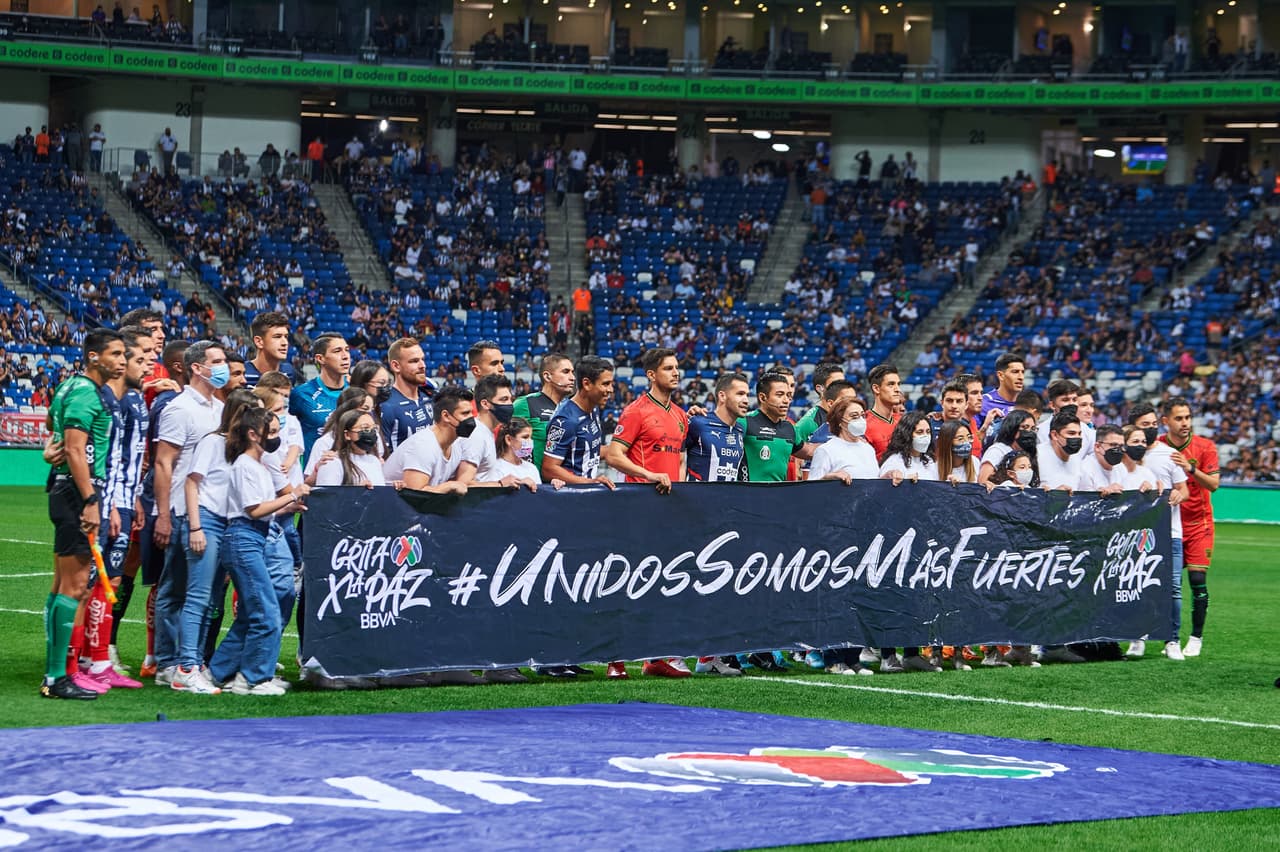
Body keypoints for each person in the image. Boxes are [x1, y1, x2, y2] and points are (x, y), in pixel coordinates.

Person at [41, 329, 126, 700]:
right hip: (78, 493)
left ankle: (55, 673)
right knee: (75, 586)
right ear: (94, 357)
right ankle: (57, 678)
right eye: (116, 354)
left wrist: (49, 446)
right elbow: (76, 451)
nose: (121, 361)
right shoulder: (86, 393)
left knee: (62, 585)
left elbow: (51, 428)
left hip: (66, 491)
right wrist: (91, 500)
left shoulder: (68, 387)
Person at [209, 407, 308, 696]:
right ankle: (252, 678)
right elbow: (254, 509)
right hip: (244, 539)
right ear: (253, 434)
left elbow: (262, 509)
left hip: (253, 537)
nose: (277, 438)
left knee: (254, 612)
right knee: (266, 611)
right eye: (273, 432)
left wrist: (290, 505)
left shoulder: (258, 464)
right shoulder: (245, 465)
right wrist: (292, 495)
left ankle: (220, 672)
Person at [152, 342, 227, 689]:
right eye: (218, 361)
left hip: (209, 507)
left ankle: (182, 660)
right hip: (185, 511)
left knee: (197, 590)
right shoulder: (180, 408)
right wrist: (164, 515)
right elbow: (164, 463)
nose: (224, 366)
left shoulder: (218, 407)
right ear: (196, 368)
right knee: (176, 589)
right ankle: (172, 662)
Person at [183, 388, 261, 681]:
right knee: (199, 596)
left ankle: (200, 661)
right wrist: (195, 527)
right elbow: (192, 484)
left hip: (228, 525)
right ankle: (187, 665)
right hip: (208, 520)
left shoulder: (243, 449)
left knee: (213, 599)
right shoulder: (213, 442)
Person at [99, 329, 151, 677]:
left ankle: (99, 656)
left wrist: (133, 498)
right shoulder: (105, 400)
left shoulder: (133, 399)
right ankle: (91, 657)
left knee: (111, 581)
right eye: (140, 359)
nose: (148, 366)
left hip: (126, 500)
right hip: (105, 502)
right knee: (95, 582)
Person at [875, 412, 939, 673]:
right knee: (892, 595)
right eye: (919, 432)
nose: (924, 437)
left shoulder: (929, 462)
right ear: (907, 433)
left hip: (922, 536)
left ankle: (912, 651)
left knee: (916, 595)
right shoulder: (893, 460)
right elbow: (880, 491)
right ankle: (887, 654)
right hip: (895, 537)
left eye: (927, 432)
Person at [1127, 402, 1188, 660]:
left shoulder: (1168, 454)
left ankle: (1171, 640)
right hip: (1136, 534)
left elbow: (1184, 489)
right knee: (1134, 586)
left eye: (1154, 425)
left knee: (1172, 587)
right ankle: (1136, 637)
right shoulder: (1124, 455)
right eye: (1145, 425)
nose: (1151, 430)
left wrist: (1177, 493)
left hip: (1170, 530)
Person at [1159, 397, 1218, 658]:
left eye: (1187, 417)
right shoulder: (1158, 446)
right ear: (1166, 421)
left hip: (1198, 524)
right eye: (1179, 418)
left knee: (1197, 579)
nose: (1185, 423)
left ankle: (1196, 637)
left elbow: (1213, 484)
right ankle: (1165, 639)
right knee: (1161, 583)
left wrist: (1189, 467)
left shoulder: (1205, 447)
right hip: (1168, 524)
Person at [604, 348, 687, 496]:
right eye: (668, 368)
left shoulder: (681, 415)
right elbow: (613, 456)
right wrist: (649, 475)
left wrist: (677, 491)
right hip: (641, 497)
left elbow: (680, 461)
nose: (676, 373)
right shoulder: (635, 411)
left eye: (676, 368)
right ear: (651, 375)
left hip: (670, 500)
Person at [541, 356, 617, 490]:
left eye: (611, 384)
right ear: (586, 384)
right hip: (570, 497)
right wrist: (590, 482)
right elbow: (548, 469)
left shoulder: (593, 408)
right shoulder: (565, 421)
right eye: (605, 384)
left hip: (586, 494)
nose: (610, 390)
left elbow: (587, 451)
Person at [382, 385, 474, 496]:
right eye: (465, 413)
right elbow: (413, 494)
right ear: (446, 416)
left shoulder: (456, 445)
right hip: (388, 505)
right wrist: (448, 486)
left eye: (471, 413)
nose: (471, 418)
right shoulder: (423, 446)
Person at [455, 374, 524, 488]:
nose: (509, 404)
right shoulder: (476, 436)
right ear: (485, 404)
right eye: (504, 399)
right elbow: (462, 484)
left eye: (510, 399)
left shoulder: (486, 432)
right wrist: (500, 484)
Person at [290, 333, 350, 461]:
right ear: (320, 358)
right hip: (313, 476)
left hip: (350, 475)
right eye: (337, 351)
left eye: (347, 350)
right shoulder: (301, 394)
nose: (345, 356)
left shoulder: (357, 392)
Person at [512, 354, 574, 476]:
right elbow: (505, 444)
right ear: (547, 376)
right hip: (533, 487)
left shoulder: (572, 410)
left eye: (572, 372)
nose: (572, 378)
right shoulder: (525, 404)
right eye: (566, 372)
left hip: (565, 485)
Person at [685, 372, 750, 484]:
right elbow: (676, 458)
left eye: (747, 395)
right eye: (740, 394)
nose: (746, 400)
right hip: (696, 499)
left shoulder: (740, 430)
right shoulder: (698, 423)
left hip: (728, 499)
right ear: (722, 396)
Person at [740, 371, 804, 484]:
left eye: (788, 396)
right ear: (763, 397)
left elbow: (809, 451)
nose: (786, 401)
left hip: (778, 497)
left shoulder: (790, 427)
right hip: (747, 496)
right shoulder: (744, 422)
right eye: (779, 395)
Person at [380, 338, 434, 453]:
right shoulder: (387, 406)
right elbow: (381, 456)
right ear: (396, 366)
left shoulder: (430, 397)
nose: (422, 365)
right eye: (414, 361)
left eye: (422, 359)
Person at [314, 409, 387, 487]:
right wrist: (355, 491)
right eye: (365, 428)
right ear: (347, 435)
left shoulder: (374, 461)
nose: (371, 432)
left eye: (374, 428)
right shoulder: (333, 461)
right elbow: (326, 496)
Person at [492, 417, 559, 490]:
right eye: (525, 437)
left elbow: (539, 496)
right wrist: (522, 487)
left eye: (531, 437)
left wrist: (551, 487)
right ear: (508, 439)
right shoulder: (495, 467)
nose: (529, 441)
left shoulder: (532, 468)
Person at [978, 410, 1038, 486]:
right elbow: (982, 483)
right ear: (1012, 428)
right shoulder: (997, 451)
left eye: (1032, 428)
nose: (1029, 432)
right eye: (1024, 427)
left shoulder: (1030, 451)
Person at [242, 311, 297, 388]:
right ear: (259, 342)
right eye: (277, 337)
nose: (285, 343)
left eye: (286, 337)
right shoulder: (242, 373)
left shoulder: (289, 372)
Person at [863, 364, 902, 457]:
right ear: (876, 388)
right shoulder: (863, 423)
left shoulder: (903, 421)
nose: (898, 389)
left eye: (898, 384)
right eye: (891, 384)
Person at [1079, 424, 1128, 494]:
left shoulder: (1121, 468)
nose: (1118, 450)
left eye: (1121, 446)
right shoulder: (1085, 469)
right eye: (1113, 445)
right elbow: (1083, 502)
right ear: (1098, 447)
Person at [979, 352, 1026, 422]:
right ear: (1001, 375)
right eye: (1015, 372)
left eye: (1022, 372)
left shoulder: (1026, 404)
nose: (1021, 377)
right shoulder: (983, 403)